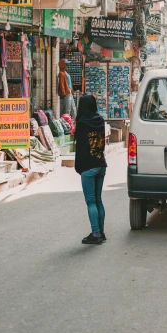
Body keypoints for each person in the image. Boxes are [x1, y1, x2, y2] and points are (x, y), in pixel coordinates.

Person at [74, 94, 107, 245]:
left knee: (91, 202)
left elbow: (80, 149)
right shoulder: (100, 120)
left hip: (88, 167)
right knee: (98, 200)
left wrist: (79, 168)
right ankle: (101, 232)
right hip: (100, 164)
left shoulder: (81, 124)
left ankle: (95, 234)